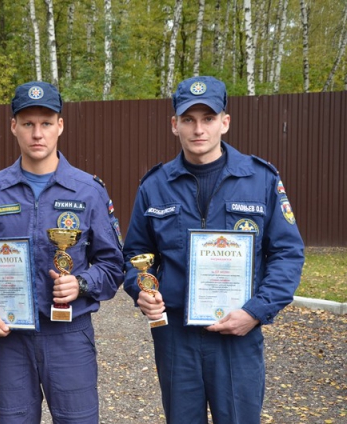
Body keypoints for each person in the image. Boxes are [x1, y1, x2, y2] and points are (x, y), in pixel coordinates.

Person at [122, 75, 305, 424]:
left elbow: (287, 253)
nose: (198, 129)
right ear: (174, 124)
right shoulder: (155, 186)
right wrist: (140, 290)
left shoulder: (261, 179)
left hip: (239, 333)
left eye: (208, 119)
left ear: (225, 122)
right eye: (188, 119)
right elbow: (135, 254)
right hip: (175, 335)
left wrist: (256, 311)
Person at [0, 81, 124, 423]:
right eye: (27, 123)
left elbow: (114, 265)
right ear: (14, 126)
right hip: (11, 338)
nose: (37, 133)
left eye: (45, 123)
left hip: (70, 336)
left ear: (60, 125)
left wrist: (82, 284)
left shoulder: (89, 192)